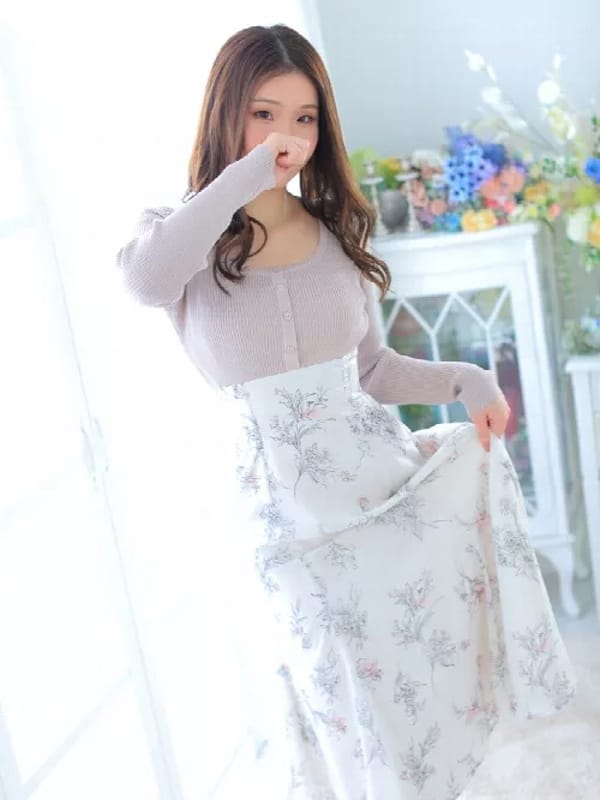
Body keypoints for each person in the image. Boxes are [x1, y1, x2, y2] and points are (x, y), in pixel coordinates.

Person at [115, 23, 576, 800]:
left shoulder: (331, 230)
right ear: (226, 112)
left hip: (378, 492)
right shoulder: (179, 234)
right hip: (285, 526)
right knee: (338, 707)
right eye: (264, 114)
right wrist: (241, 180)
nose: (286, 138)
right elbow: (143, 282)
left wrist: (467, 379)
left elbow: (372, 370)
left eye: (304, 118)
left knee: (404, 702)